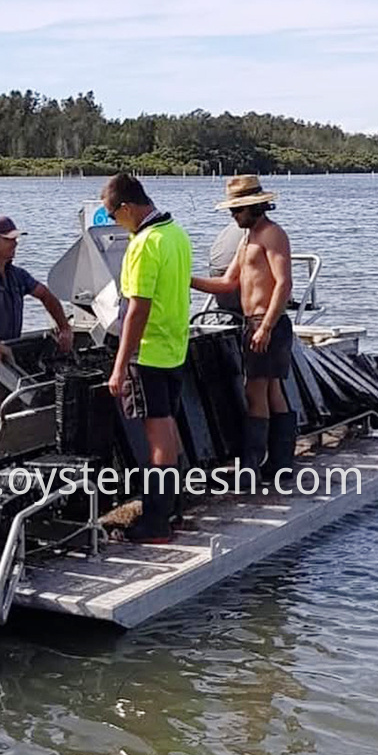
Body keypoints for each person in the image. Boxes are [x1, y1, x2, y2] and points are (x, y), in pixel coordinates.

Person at [101, 173, 193, 543]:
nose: (112, 223)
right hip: (175, 348)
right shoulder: (176, 235)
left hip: (148, 352)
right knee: (168, 429)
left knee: (156, 435)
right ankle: (173, 509)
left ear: (126, 207)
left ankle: (155, 522)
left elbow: (136, 309)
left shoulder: (143, 244)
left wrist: (120, 365)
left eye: (112, 215)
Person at [191, 175, 295, 481]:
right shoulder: (247, 239)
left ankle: (252, 468)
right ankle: (280, 463)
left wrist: (266, 326)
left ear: (254, 207)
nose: (233, 216)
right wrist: (186, 279)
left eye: (237, 211)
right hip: (253, 322)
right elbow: (227, 283)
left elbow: (283, 283)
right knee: (271, 388)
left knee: (254, 391)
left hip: (266, 323)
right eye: (232, 211)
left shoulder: (271, 235)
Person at [0, 214, 72, 422]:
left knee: (14, 420)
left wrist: (64, 328)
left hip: (7, 361)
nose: (15, 243)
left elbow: (45, 295)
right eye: (9, 239)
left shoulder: (17, 275)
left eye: (16, 238)